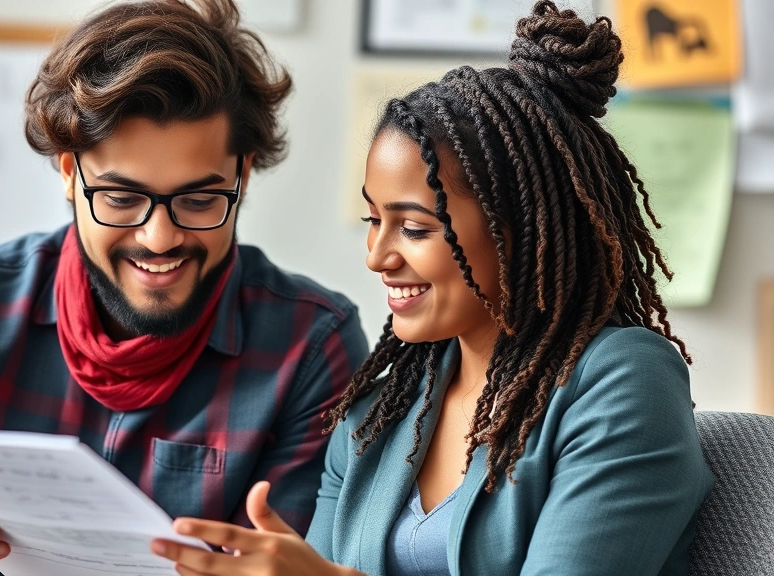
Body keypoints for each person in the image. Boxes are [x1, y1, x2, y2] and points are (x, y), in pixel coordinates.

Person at [0, 1, 370, 575]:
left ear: (241, 175)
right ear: (70, 173)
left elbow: (305, 557)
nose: (159, 238)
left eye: (198, 199)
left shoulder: (311, 344)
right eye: (121, 198)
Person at [150, 2, 714, 574]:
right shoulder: (376, 416)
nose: (377, 257)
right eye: (373, 220)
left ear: (522, 232)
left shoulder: (622, 381)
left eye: (415, 228)